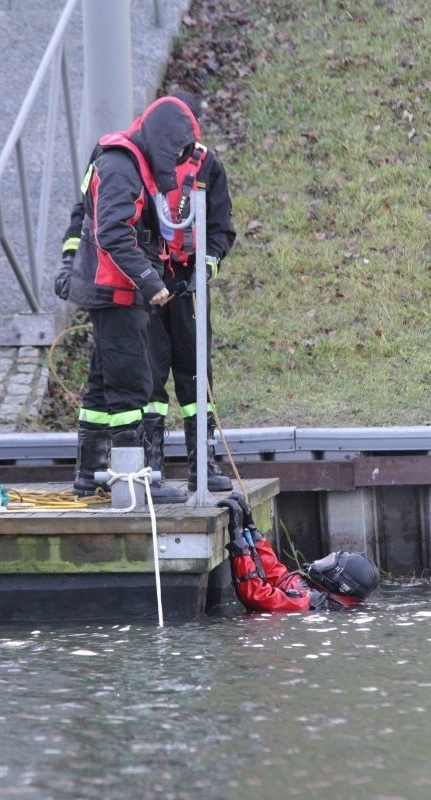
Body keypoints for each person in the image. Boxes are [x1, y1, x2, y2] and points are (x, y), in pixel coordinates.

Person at [54, 95, 202, 502]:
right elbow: (114, 233)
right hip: (117, 291)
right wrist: (151, 282)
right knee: (130, 387)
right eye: (177, 152)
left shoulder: (124, 159)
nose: (177, 162)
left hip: (113, 289)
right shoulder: (123, 166)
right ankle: (135, 485)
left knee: (102, 388)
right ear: (163, 140)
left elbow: (89, 221)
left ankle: (88, 478)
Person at [144, 91, 236, 495]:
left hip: (188, 286)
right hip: (148, 285)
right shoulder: (141, 162)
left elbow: (220, 230)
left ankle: (204, 462)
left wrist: (204, 269)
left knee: (196, 375)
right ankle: (150, 466)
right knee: (148, 374)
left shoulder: (207, 165)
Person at [218, 494, 380, 612]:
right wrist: (252, 530)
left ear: (341, 584)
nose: (320, 563)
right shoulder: (316, 592)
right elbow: (279, 578)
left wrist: (239, 542)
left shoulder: (310, 602)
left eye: (330, 563)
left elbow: (257, 596)